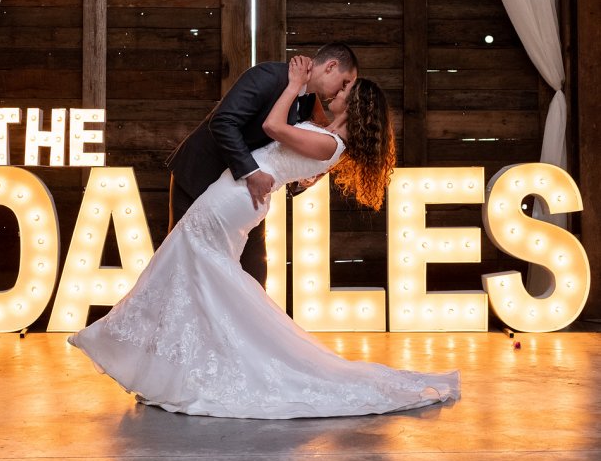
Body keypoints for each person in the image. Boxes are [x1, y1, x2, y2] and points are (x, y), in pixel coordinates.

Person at [69, 57, 460, 419]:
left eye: (344, 93)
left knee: (191, 272)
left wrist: (293, 86)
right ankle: (193, 364)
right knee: (197, 276)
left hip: (237, 197)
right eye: (342, 86)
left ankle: (191, 362)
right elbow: (262, 140)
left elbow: (273, 129)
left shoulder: (328, 141)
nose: (336, 94)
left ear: (354, 108)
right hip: (235, 193)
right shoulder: (324, 134)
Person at [166, 42, 359, 287]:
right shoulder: (268, 76)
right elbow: (223, 122)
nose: (343, 92)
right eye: (344, 83)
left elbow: (289, 150)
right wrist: (253, 172)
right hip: (201, 175)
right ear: (331, 66)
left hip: (246, 193)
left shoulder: (310, 102)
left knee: (254, 270)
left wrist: (304, 178)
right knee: (180, 260)